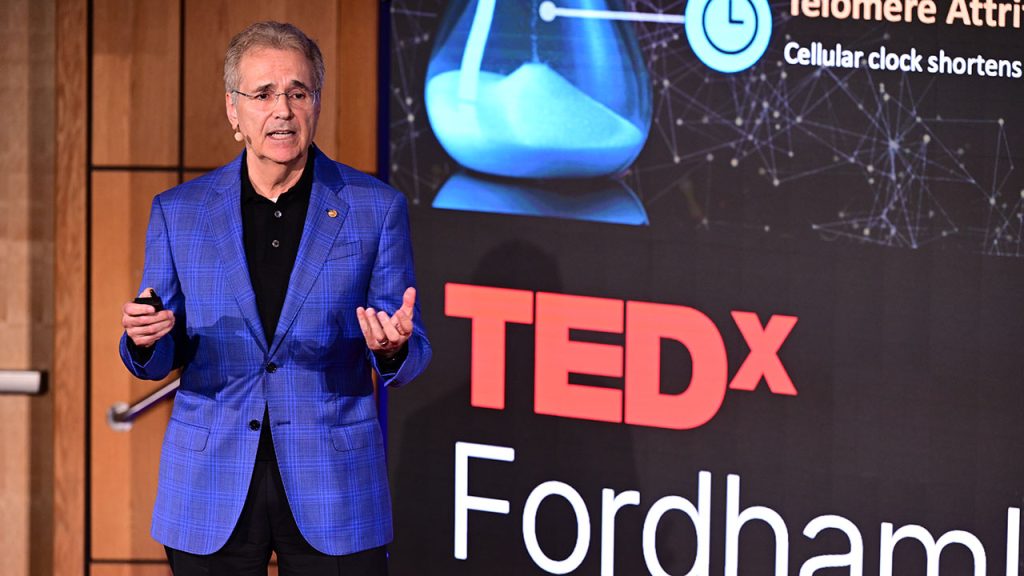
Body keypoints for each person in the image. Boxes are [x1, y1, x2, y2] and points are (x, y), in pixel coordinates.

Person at [119, 21, 430, 576]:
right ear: (234, 112)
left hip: (333, 485)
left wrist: (392, 350)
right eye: (262, 94)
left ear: (317, 103)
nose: (281, 110)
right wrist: (144, 342)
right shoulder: (179, 212)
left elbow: (412, 352)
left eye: (297, 92)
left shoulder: (374, 209)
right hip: (210, 486)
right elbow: (158, 350)